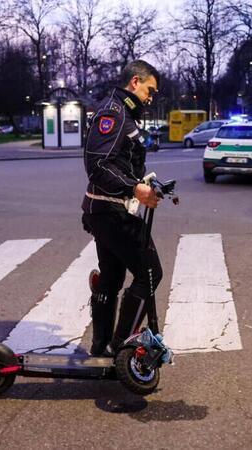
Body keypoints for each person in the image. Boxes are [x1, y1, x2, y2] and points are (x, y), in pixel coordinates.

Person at [81, 60, 162, 357]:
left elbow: (119, 163)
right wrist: (134, 188)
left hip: (107, 210)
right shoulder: (113, 112)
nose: (150, 98)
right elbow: (97, 164)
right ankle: (122, 346)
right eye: (149, 90)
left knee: (112, 278)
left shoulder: (123, 112)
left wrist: (143, 184)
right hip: (110, 210)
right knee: (150, 272)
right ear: (135, 82)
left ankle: (101, 347)